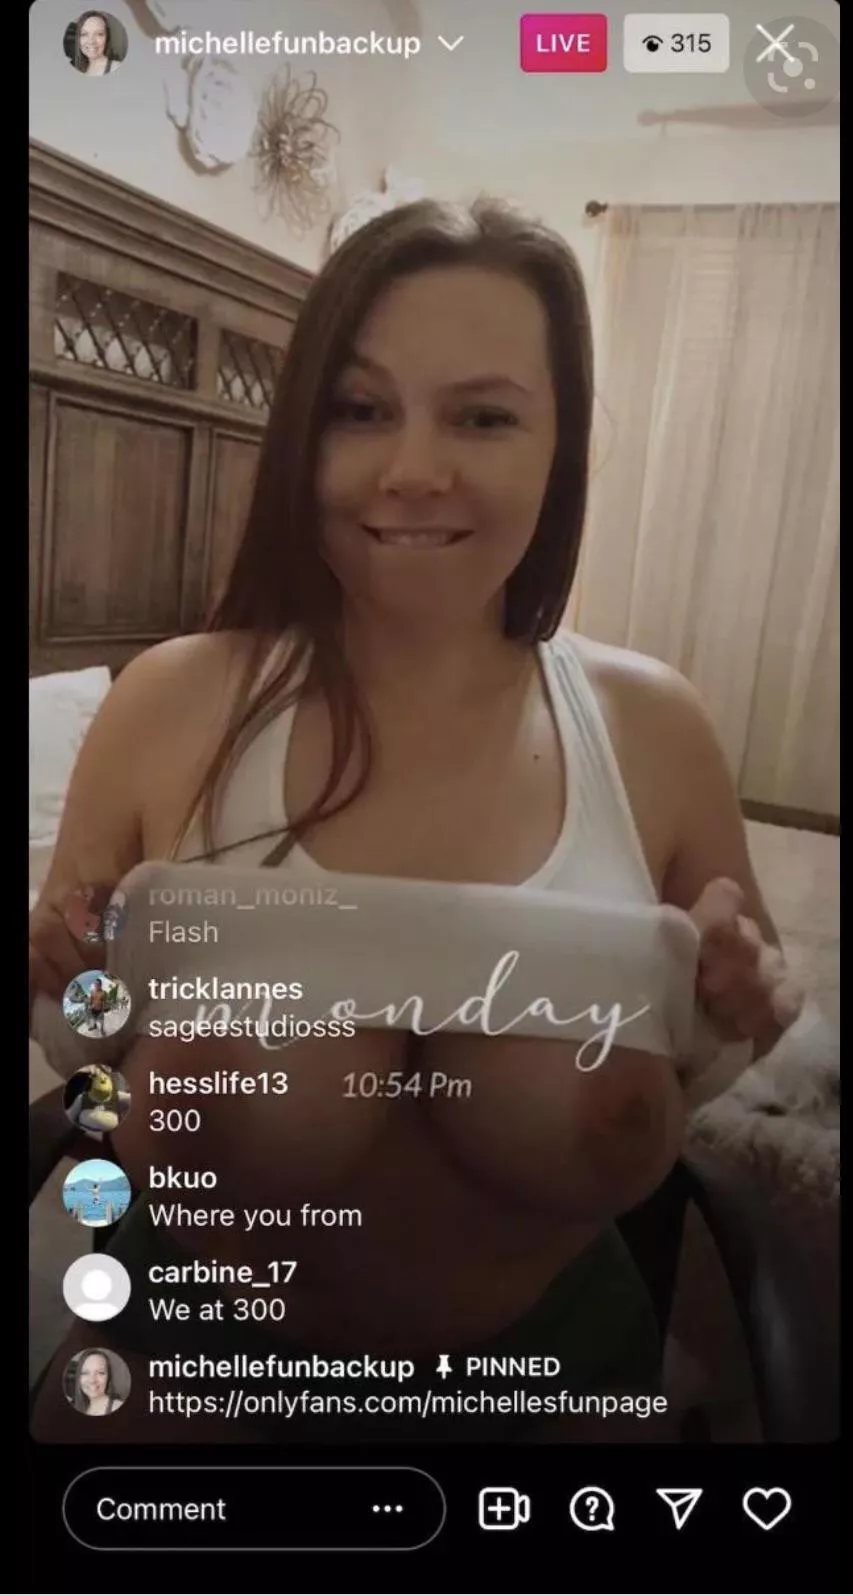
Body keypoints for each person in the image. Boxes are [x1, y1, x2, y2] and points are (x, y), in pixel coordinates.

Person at [29, 198, 803, 1441]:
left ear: (559, 448)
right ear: (302, 435)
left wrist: (744, 1000)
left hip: (544, 1383)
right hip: (192, 1369)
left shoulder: (656, 729)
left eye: (482, 416)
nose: (411, 470)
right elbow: (78, 1037)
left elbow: (726, 1035)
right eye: (361, 408)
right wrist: (65, 977)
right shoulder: (168, 704)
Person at [69, 1349, 125, 1415]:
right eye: (85, 1373)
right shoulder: (77, 1406)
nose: (92, 1380)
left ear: (108, 1377)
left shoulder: (118, 1407)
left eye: (100, 1373)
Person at [70, 11, 122, 76]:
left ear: (107, 38)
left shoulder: (116, 67)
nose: (91, 41)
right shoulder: (75, 68)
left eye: (99, 34)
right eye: (84, 34)